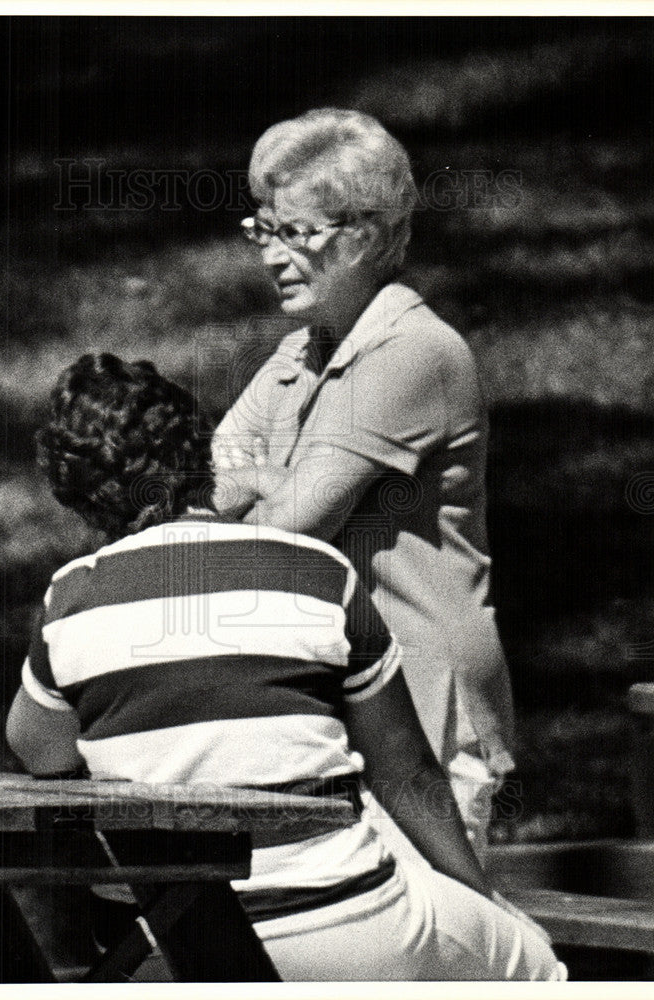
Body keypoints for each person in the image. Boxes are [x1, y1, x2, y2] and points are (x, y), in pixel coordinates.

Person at [6, 353, 564, 981]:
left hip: (170, 949)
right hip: (349, 924)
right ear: (199, 455)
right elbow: (405, 771)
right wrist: (479, 898)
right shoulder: (312, 569)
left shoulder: (71, 602)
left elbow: (35, 745)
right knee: (538, 969)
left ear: (72, 492)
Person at [213, 108, 514, 860]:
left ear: (366, 235)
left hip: (425, 723)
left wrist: (264, 483)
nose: (271, 256)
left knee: (442, 959)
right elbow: (191, 496)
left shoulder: (410, 350)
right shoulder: (297, 353)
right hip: (332, 715)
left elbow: (284, 532)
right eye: (264, 230)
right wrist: (273, 478)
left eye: (295, 233)